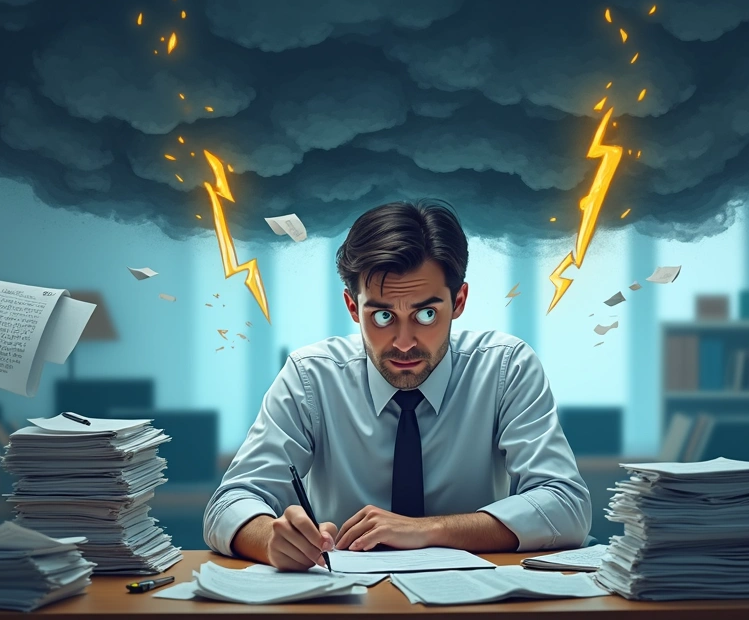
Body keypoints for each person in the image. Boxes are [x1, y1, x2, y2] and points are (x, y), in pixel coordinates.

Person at [202, 199, 590, 571]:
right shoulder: (310, 377)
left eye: (426, 314)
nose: (404, 343)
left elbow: (567, 505)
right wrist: (270, 540)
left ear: (459, 301)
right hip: (343, 601)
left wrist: (427, 531)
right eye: (383, 316)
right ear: (353, 307)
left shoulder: (506, 368)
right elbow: (230, 503)